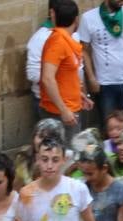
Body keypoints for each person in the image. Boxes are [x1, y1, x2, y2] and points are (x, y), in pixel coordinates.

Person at [78, 0, 123, 124]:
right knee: (108, 126)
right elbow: (83, 50)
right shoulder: (88, 18)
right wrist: (91, 78)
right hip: (104, 84)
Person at [41, 0, 92, 141]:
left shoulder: (64, 40)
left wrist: (79, 94)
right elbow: (47, 78)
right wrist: (64, 110)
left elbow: (64, 76)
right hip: (61, 113)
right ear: (76, 19)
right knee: (67, 158)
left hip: (69, 109)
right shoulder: (58, 42)